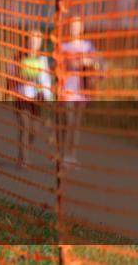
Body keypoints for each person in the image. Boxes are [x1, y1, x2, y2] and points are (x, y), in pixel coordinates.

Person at [58, 16, 103, 165]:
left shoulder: (87, 46)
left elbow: (96, 62)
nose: (74, 28)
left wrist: (86, 62)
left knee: (76, 124)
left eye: (77, 26)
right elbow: (58, 64)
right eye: (72, 25)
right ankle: (63, 153)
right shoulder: (64, 46)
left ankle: (72, 155)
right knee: (68, 121)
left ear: (81, 28)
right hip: (67, 88)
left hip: (82, 88)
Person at [8, 29, 53, 168]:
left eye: (37, 40)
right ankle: (24, 158)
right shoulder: (18, 57)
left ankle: (24, 149)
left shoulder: (42, 59)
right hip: (21, 97)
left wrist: (48, 97)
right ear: (27, 40)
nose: (33, 42)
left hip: (37, 99)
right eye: (31, 39)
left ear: (40, 43)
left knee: (34, 130)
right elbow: (11, 76)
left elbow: (46, 80)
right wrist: (20, 77)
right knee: (25, 126)